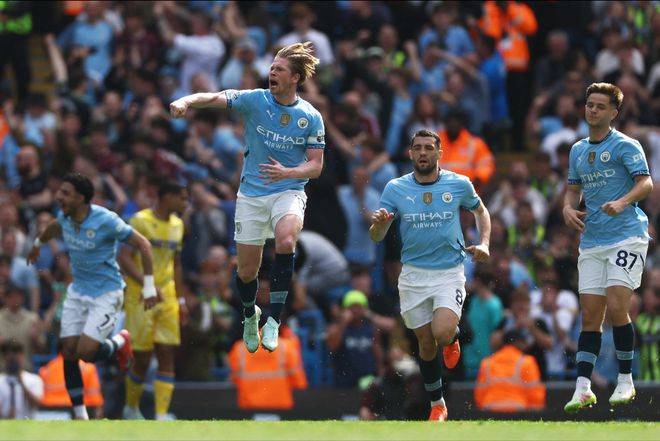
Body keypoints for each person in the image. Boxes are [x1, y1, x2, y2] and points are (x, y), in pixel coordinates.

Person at [170, 42, 325, 353]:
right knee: (246, 272)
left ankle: (274, 320)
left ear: (295, 78)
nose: (272, 72)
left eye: (280, 69)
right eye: (272, 67)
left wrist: (288, 173)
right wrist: (187, 100)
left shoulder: (310, 116)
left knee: (285, 241)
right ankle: (250, 315)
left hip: (288, 190)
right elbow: (217, 97)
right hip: (252, 195)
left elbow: (316, 166)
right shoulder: (256, 100)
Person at [369, 129, 491, 421]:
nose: (423, 152)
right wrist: (379, 225)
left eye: (428, 148)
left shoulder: (458, 183)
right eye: (418, 148)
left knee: (442, 333)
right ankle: (438, 404)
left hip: (449, 272)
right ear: (411, 153)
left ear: (439, 153)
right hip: (413, 276)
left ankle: (453, 337)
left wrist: (485, 243)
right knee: (425, 344)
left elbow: (481, 211)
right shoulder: (395, 188)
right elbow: (377, 236)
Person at [27, 173, 158, 420]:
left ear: (81, 198)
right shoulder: (65, 217)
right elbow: (53, 227)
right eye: (60, 191)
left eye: (65, 193)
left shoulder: (106, 220)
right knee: (68, 350)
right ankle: (80, 415)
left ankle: (120, 341)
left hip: (106, 293)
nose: (59, 196)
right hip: (78, 291)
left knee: (86, 353)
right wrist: (37, 244)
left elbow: (144, 244)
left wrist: (149, 286)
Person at [562, 83, 654, 413]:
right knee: (590, 316)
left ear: (614, 113)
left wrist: (623, 201)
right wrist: (567, 208)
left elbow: (646, 183)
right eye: (589, 104)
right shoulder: (577, 150)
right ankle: (583, 388)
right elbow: (573, 189)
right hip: (592, 241)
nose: (592, 110)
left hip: (627, 235)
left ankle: (626, 380)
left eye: (600, 106)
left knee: (617, 306)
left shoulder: (626, 145)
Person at [119, 181, 188, 421]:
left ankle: (161, 415)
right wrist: (146, 283)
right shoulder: (140, 221)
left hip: (167, 296)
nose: (185, 203)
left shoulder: (179, 225)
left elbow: (176, 264)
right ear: (166, 196)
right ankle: (130, 407)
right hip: (141, 296)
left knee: (167, 352)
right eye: (182, 198)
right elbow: (124, 258)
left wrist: (180, 299)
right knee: (142, 356)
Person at [474, 329, 545, 413]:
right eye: (524, 342)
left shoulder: (487, 363)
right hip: (518, 411)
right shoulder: (527, 362)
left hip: (490, 409)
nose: (526, 346)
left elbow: (479, 394)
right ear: (518, 342)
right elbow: (535, 394)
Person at [0, 340, 44, 419]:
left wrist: (21, 382)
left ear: (22, 356)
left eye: (16, 355)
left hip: (28, 423)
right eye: (10, 359)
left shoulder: (34, 380)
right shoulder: (1, 381)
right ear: (4, 359)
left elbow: (36, 404)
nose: (13, 360)